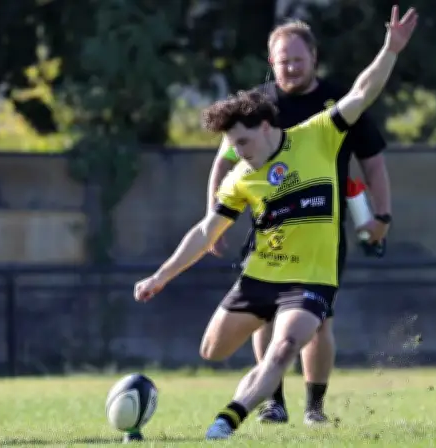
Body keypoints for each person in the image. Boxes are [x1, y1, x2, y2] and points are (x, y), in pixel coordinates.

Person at [135, 5, 417, 440]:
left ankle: (233, 419)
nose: (238, 152)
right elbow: (206, 229)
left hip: (311, 276)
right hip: (263, 272)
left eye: (243, 142)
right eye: (233, 145)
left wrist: (390, 50)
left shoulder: (320, 132)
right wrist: (161, 275)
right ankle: (270, 391)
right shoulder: (242, 176)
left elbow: (363, 93)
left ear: (267, 127)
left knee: (285, 347)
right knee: (212, 351)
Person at [205, 19, 394, 425]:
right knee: (264, 313)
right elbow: (224, 162)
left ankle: (314, 407)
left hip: (321, 230)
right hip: (268, 228)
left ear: (313, 58)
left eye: (296, 59)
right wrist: (213, 219)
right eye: (281, 61)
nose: (289, 68)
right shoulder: (257, 106)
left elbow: (373, 164)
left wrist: (382, 215)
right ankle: (273, 401)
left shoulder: (337, 104)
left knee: (318, 320)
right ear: (270, 63)